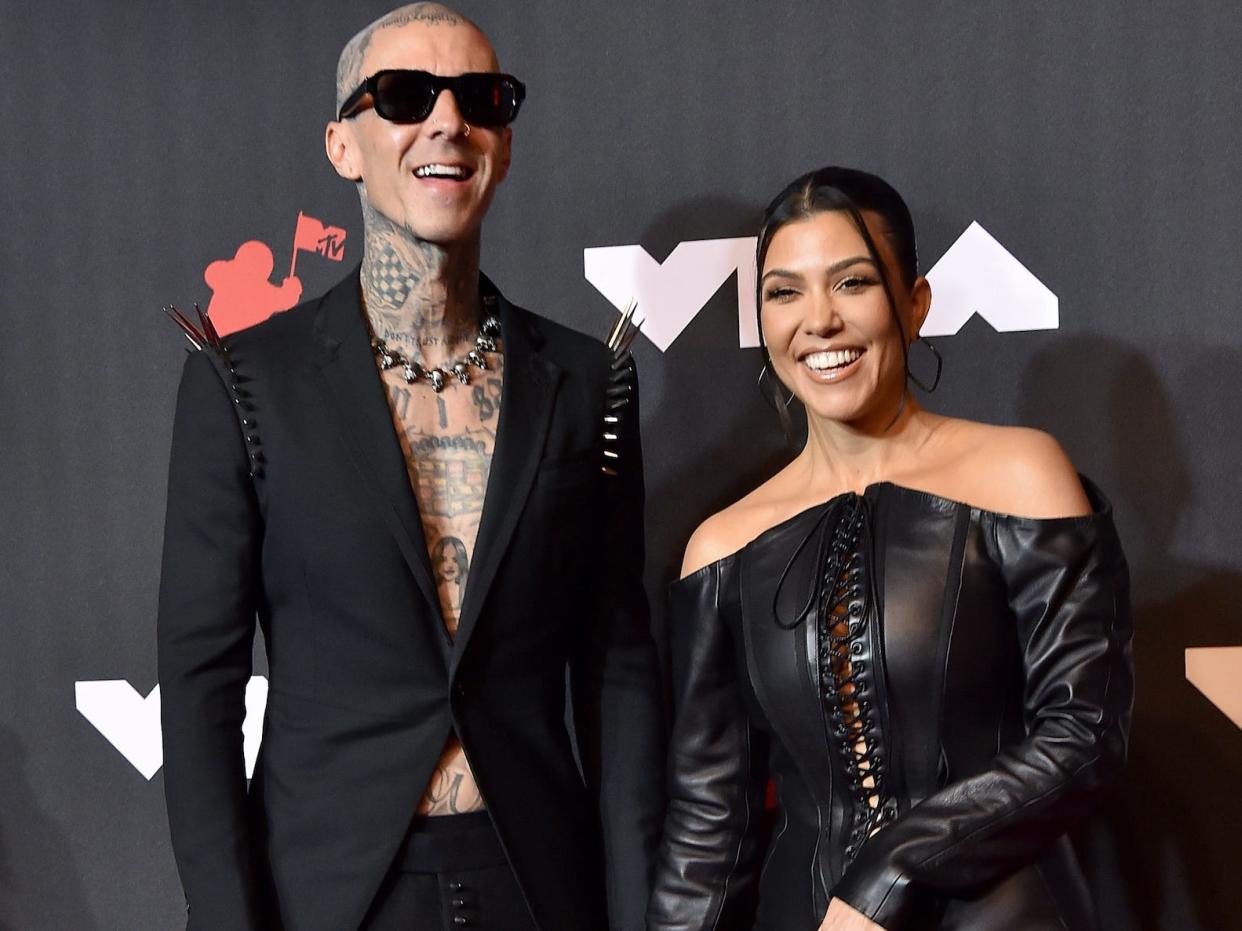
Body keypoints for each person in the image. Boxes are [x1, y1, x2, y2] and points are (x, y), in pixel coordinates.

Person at [157, 5, 663, 930]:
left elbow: (618, 673)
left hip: (540, 887)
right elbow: (198, 692)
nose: (445, 121)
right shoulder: (242, 384)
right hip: (328, 893)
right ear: (342, 146)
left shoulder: (589, 381)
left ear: (504, 148)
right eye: (401, 96)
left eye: (480, 98)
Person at [647, 166, 1133, 930]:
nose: (819, 320)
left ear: (915, 303)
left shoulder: (1020, 473)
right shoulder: (722, 545)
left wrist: (890, 870)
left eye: (853, 283)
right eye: (784, 292)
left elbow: (1083, 736)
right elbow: (708, 829)